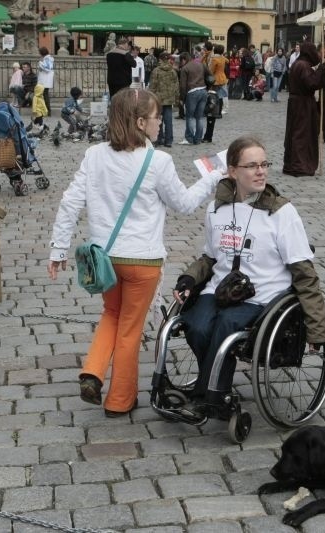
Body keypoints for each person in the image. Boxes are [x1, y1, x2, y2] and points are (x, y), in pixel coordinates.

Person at [47, 88, 224, 417]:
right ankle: (119, 400)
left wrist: (58, 248)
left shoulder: (94, 154)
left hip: (106, 258)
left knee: (111, 315)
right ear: (141, 122)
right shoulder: (158, 160)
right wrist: (213, 177)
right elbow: (184, 204)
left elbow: (70, 202)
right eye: (157, 117)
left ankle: (93, 371)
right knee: (129, 328)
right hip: (143, 261)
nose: (161, 122)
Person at [172, 135, 325, 417]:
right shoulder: (216, 209)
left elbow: (305, 274)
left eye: (264, 164)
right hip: (219, 289)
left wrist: (317, 328)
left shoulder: (281, 212)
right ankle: (213, 384)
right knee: (195, 324)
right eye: (251, 166)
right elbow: (209, 257)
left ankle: (211, 396)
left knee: (226, 325)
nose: (261, 172)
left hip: (262, 296)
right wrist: (188, 279)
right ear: (232, 171)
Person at [282, 42, 325, 177]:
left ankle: (292, 163)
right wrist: (321, 70)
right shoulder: (303, 65)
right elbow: (312, 83)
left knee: (296, 132)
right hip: (302, 104)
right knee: (301, 133)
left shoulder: (299, 64)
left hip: (297, 103)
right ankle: (299, 165)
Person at [151, 51, 178, 148]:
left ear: (160, 59)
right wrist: (176, 98)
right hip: (169, 99)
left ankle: (159, 139)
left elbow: (152, 86)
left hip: (158, 99)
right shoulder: (173, 71)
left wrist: (151, 97)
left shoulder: (156, 71)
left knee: (158, 120)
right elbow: (176, 86)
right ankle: (169, 141)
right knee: (168, 121)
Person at [179, 52, 207, 145]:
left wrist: (182, 98)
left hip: (192, 92)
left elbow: (183, 86)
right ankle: (198, 138)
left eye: (181, 61)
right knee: (199, 117)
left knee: (190, 117)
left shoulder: (185, 68)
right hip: (203, 90)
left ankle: (189, 138)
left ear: (184, 60)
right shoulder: (201, 64)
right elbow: (210, 76)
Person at [37, 47, 54, 116]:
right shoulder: (47, 59)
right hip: (46, 80)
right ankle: (46, 110)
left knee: (45, 95)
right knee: (44, 95)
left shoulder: (47, 59)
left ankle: (47, 111)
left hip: (45, 80)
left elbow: (48, 68)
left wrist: (40, 63)